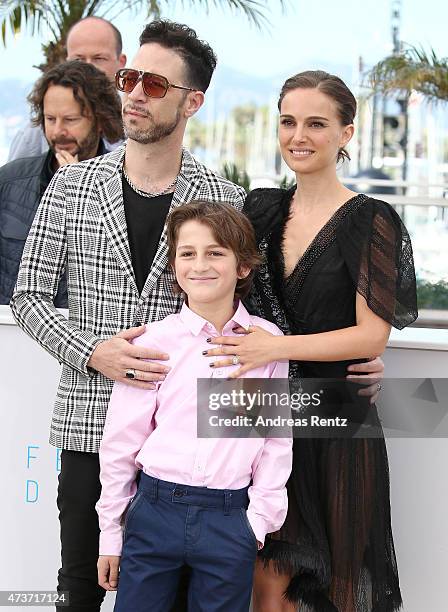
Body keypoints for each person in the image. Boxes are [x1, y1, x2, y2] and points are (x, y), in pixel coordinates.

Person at [10, 20, 245, 612]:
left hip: (184, 444)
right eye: (129, 77)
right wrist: (93, 351)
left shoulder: (223, 200)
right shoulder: (72, 188)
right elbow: (30, 297)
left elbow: (244, 320)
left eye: (155, 83)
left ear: (192, 101)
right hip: (88, 427)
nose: (135, 93)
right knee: (80, 596)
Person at [202, 71, 418, 611]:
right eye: (288, 121)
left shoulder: (373, 220)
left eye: (316, 123)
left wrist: (275, 348)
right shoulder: (260, 209)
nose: (298, 135)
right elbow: (218, 292)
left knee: (333, 589)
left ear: (346, 133)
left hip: (334, 422)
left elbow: (372, 333)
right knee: (265, 586)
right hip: (259, 415)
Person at [96, 200, 293, 611]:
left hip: (229, 518)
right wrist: (111, 535)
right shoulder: (152, 344)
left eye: (215, 252)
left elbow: (275, 439)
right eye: (187, 253)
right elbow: (121, 443)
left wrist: (257, 522)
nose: (200, 265)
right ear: (174, 266)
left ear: (242, 266)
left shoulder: (268, 342)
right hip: (153, 511)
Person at [0, 60, 123, 306]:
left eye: (71, 119)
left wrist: (79, 192)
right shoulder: (8, 181)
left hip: (85, 339)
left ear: (100, 121)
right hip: (12, 335)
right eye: (50, 118)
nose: (57, 131)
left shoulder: (123, 188)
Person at [7, 16, 126, 162]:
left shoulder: (135, 123)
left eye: (99, 58)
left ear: (121, 62)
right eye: (78, 59)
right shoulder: (34, 135)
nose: (88, 67)